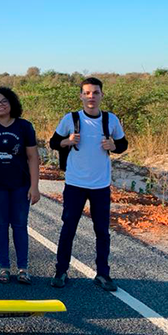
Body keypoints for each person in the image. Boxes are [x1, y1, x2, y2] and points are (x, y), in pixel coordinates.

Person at [48, 77, 128, 291]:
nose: (91, 97)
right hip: (75, 183)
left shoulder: (111, 120)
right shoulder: (70, 119)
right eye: (87, 93)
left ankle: (103, 273)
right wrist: (67, 141)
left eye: (95, 92)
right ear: (81, 96)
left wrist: (114, 145)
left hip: (100, 184)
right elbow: (54, 142)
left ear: (102, 95)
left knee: (102, 230)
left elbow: (123, 144)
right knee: (68, 228)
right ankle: (61, 271)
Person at [0, 87, 40, 284]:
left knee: (19, 225)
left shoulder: (24, 127)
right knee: (0, 225)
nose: (0, 105)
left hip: (20, 184)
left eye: (4, 101)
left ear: (12, 103)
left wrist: (35, 186)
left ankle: (23, 268)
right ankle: (3, 267)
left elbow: (32, 157)